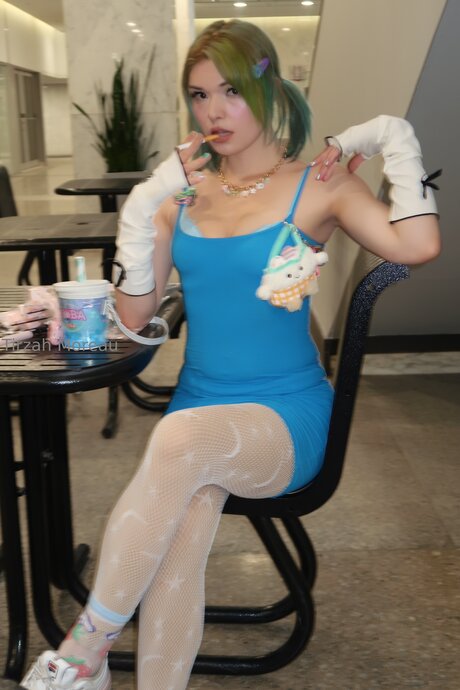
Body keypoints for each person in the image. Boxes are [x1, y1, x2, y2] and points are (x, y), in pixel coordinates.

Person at [22, 18, 441, 690]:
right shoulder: (181, 196)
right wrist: (142, 209)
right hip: (198, 415)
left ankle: (84, 649)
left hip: (285, 415)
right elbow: (134, 318)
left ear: (270, 90)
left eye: (231, 91)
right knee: (177, 543)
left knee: (179, 442)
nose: (213, 111)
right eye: (199, 95)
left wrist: (393, 136)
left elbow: (418, 246)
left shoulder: (321, 184)